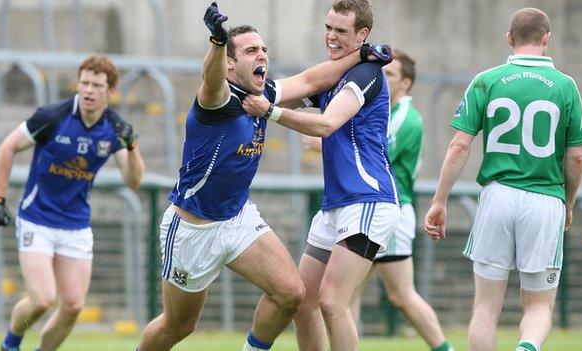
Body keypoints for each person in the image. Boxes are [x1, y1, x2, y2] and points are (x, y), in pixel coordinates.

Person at [135, 3, 392, 351]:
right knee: (179, 325)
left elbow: (311, 80)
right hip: (194, 227)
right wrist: (216, 41)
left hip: (238, 218)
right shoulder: (216, 99)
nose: (262, 56)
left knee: (292, 293)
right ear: (230, 62)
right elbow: (210, 79)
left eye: (264, 49)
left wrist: (361, 54)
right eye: (251, 50)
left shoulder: (263, 94)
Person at [424, 7, 582, 351]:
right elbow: (576, 157)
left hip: (497, 197)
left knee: (485, 307)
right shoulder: (566, 86)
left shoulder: (487, 80)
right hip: (545, 200)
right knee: (539, 305)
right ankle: (526, 347)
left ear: (509, 39)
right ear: (546, 39)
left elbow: (459, 146)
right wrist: (569, 203)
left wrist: (439, 200)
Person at [243, 1, 400, 350]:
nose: (331, 36)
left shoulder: (367, 74)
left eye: (341, 31)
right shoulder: (334, 72)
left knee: (332, 302)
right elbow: (290, 89)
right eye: (328, 27)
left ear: (363, 35)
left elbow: (327, 124)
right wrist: (239, 81)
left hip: (368, 199)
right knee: (303, 301)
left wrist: (269, 112)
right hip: (336, 205)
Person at [0, 55, 145, 351]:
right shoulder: (52, 116)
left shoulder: (115, 128)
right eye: (84, 82)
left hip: (76, 225)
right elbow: (7, 147)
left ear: (110, 91)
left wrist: (132, 147)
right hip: (36, 218)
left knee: (72, 305)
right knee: (42, 299)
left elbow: (134, 181)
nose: (88, 90)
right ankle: (9, 343)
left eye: (96, 85)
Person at [349, 51, 454, 351]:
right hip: (373, 209)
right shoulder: (386, 112)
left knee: (401, 296)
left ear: (406, 83)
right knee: (345, 293)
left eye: (391, 74)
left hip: (391, 211)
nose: (383, 78)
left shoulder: (407, 118)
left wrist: (324, 140)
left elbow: (376, 153)